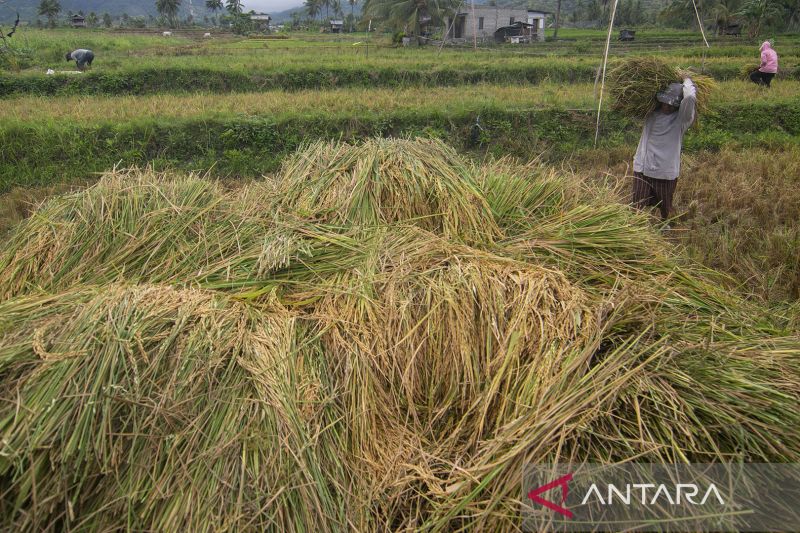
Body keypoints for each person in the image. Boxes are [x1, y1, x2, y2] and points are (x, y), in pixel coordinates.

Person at [631, 78, 696, 224]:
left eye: (671, 104)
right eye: (664, 102)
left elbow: (690, 98)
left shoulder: (681, 120)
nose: (667, 106)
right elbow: (633, 99)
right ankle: (634, 229)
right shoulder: (651, 114)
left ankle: (667, 227)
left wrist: (686, 81)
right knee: (636, 206)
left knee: (666, 208)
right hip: (642, 166)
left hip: (664, 172)